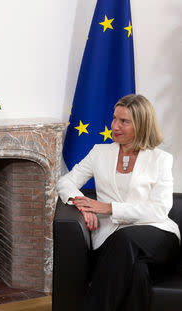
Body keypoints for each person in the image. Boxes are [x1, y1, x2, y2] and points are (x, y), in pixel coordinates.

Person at [57, 94, 180, 311]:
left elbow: (160, 210)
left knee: (125, 238)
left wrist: (109, 208)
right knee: (138, 272)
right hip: (111, 239)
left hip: (157, 234)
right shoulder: (99, 152)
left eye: (124, 121)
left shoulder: (160, 159)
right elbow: (66, 181)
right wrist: (81, 204)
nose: (115, 126)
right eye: (114, 119)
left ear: (141, 124)